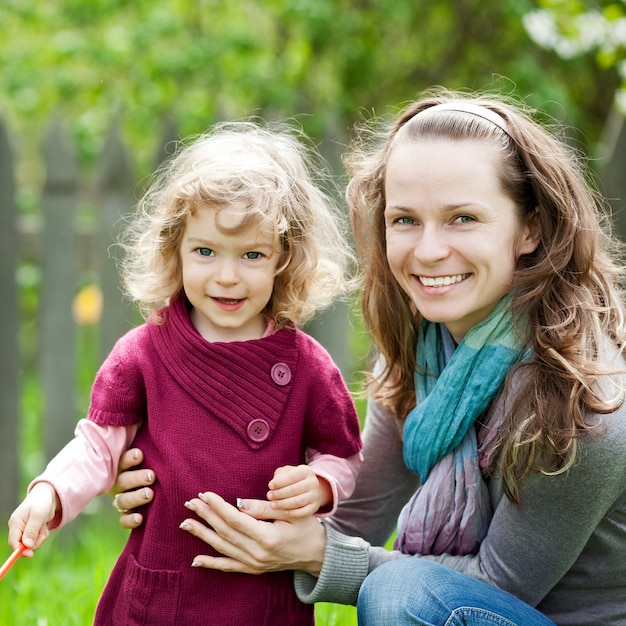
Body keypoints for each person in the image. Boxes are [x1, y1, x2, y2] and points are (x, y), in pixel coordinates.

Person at [112, 89, 626, 626]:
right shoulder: (423, 356)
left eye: (463, 218)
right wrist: (179, 496)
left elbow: (493, 589)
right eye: (405, 219)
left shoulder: (587, 403)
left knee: (401, 596)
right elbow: (348, 521)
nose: (427, 251)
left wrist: (316, 556)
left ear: (531, 229)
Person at [7, 122, 363, 626]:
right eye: (205, 252)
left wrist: (322, 484)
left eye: (252, 255)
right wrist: (50, 493)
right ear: (175, 247)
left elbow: (342, 453)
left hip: (261, 597)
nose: (226, 275)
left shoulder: (308, 366)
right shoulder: (144, 353)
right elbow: (97, 447)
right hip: (165, 588)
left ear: (285, 257)